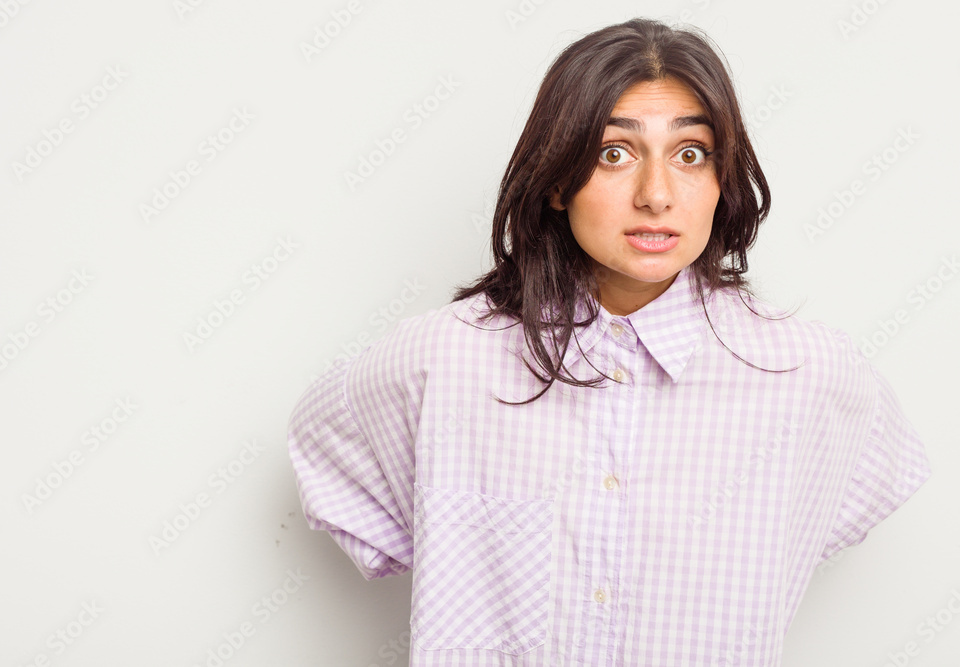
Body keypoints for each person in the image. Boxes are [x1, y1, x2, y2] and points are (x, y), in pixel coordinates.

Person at [286, 17, 932, 666]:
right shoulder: (441, 360)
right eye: (613, 153)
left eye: (690, 153)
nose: (656, 195)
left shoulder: (809, 375)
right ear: (557, 179)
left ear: (722, 179)